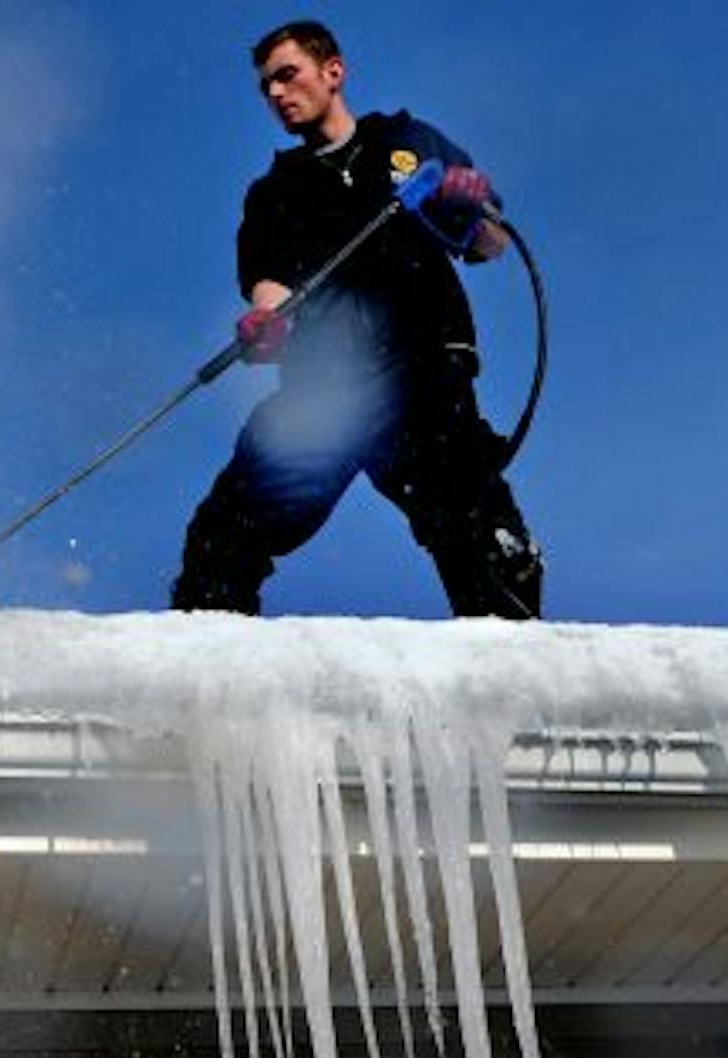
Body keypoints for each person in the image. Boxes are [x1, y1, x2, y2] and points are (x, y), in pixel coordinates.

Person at [170, 20, 544, 619]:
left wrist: (470, 206)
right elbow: (269, 285)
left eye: (287, 75)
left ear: (333, 72)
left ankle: (511, 664)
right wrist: (263, 322)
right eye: (265, 86)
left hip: (423, 369)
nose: (276, 94)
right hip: (327, 389)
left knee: (472, 520)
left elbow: (488, 243)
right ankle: (204, 657)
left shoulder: (409, 141)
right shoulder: (274, 191)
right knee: (225, 530)